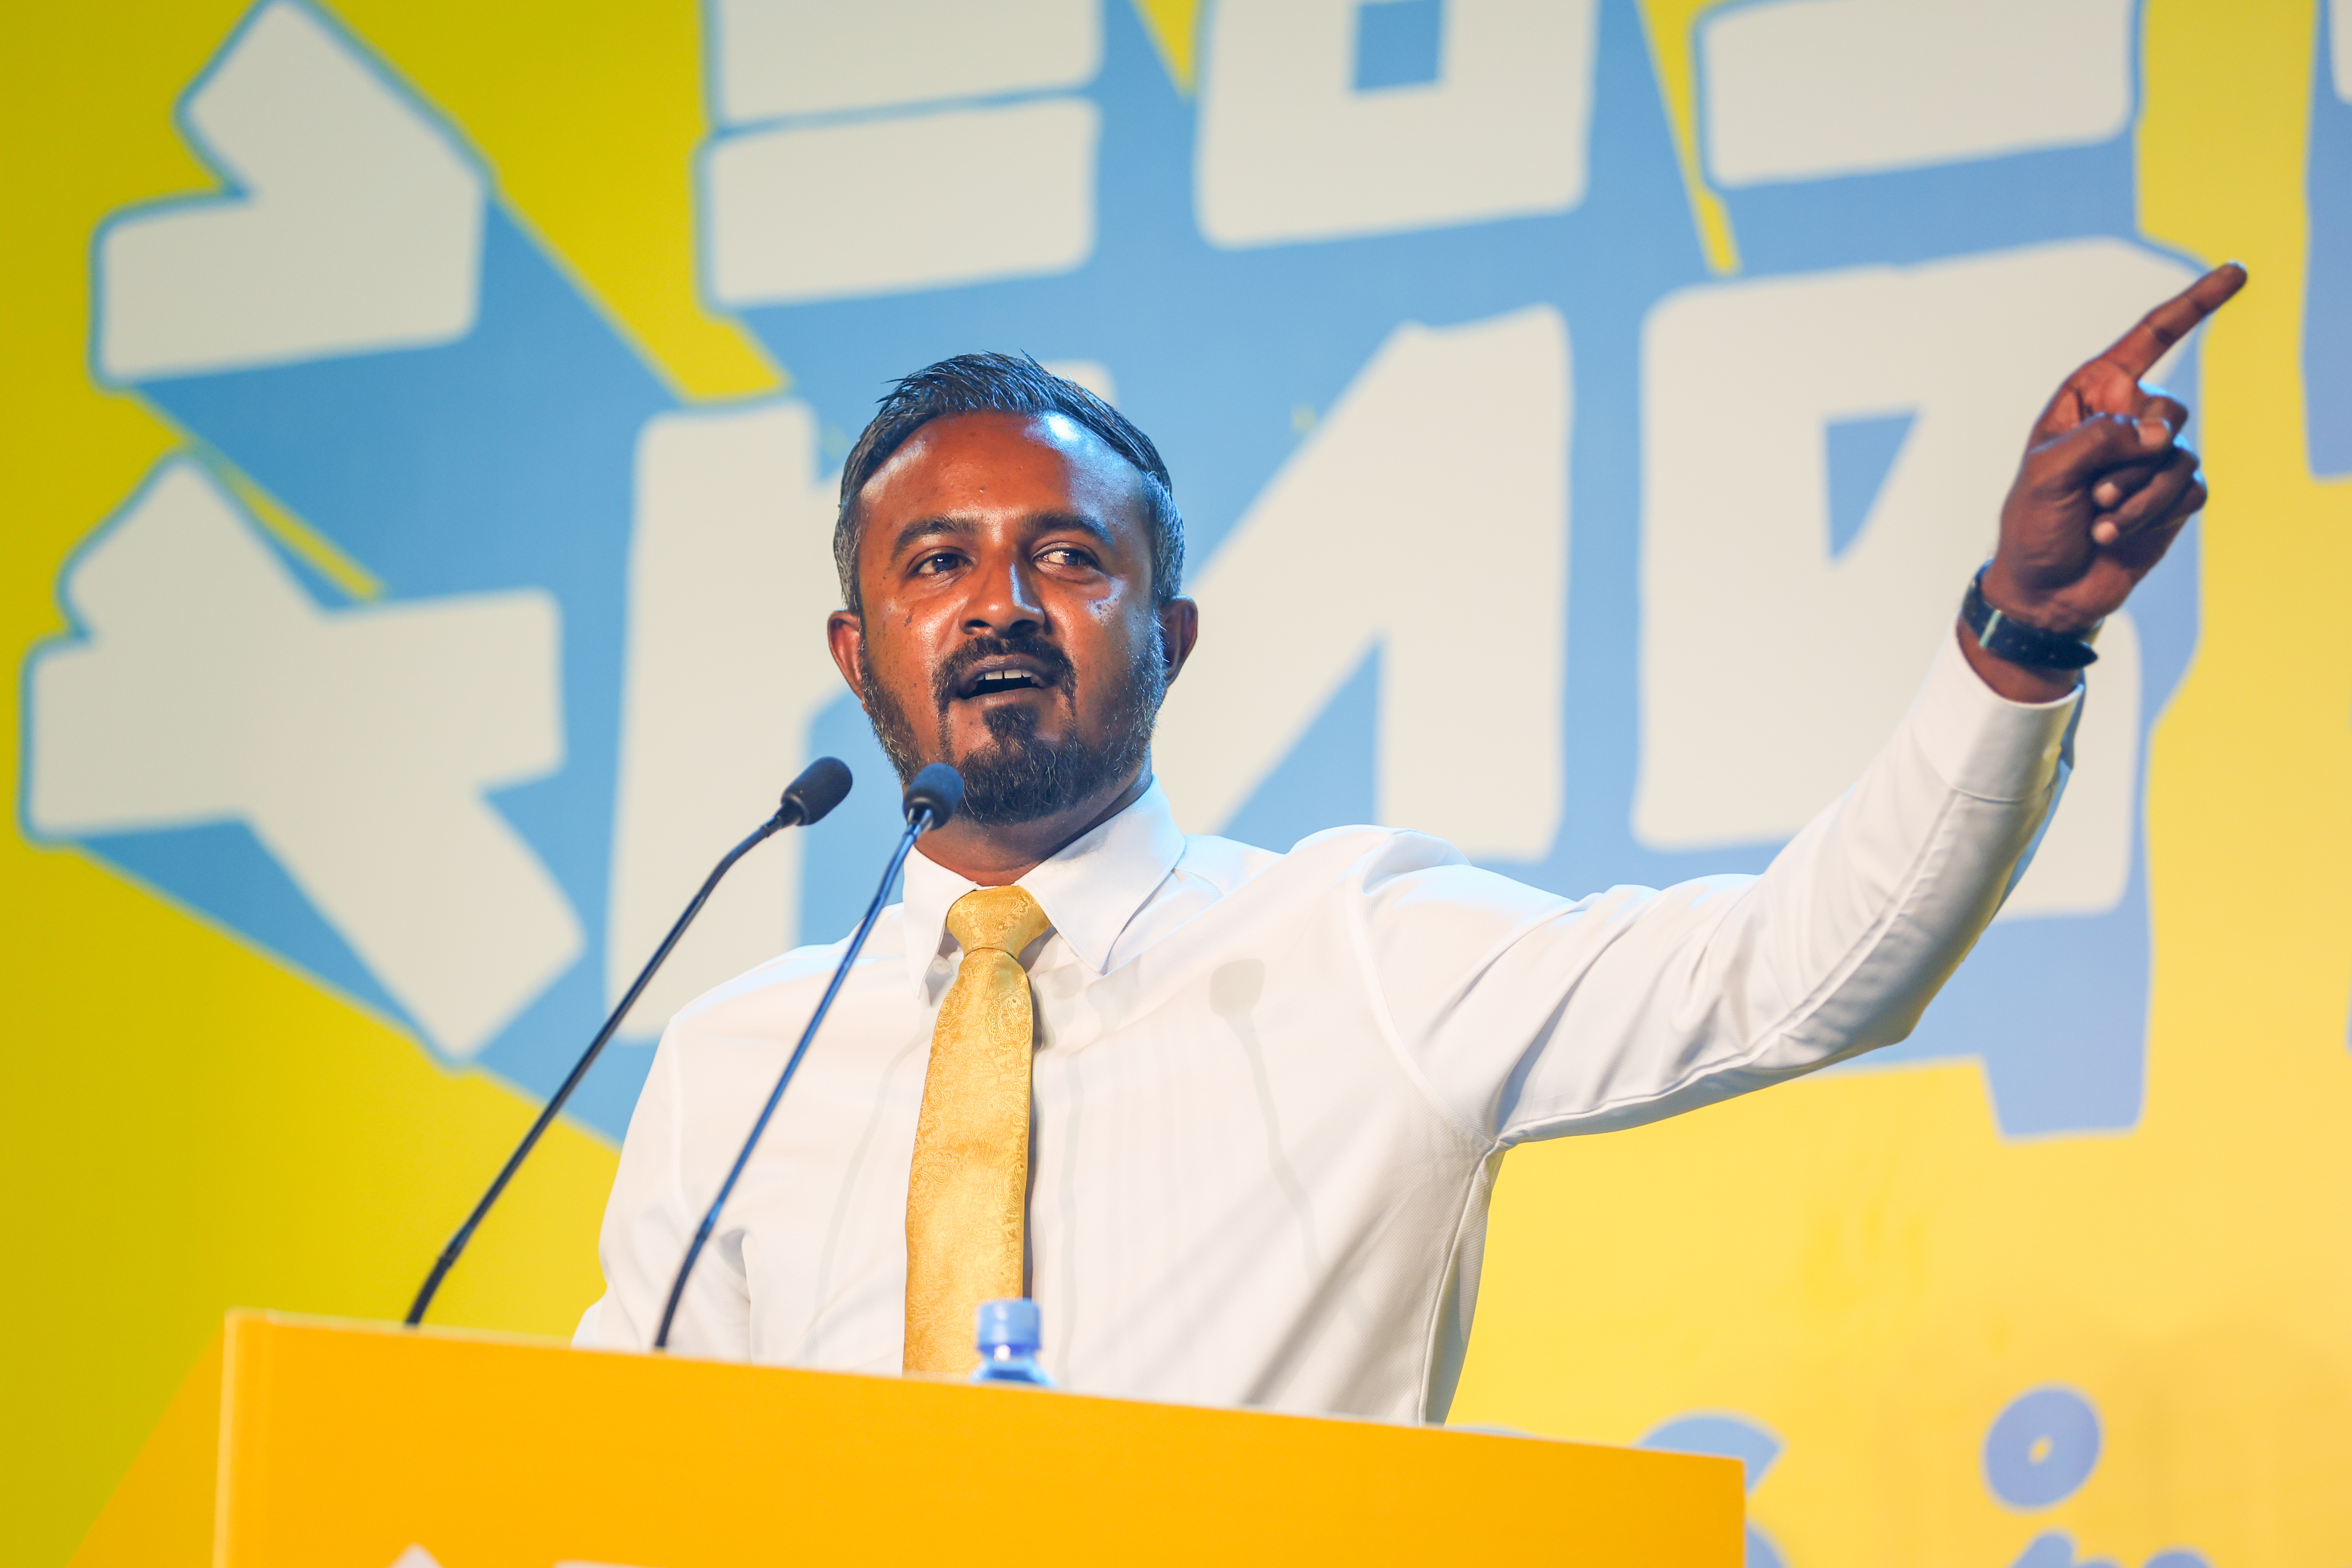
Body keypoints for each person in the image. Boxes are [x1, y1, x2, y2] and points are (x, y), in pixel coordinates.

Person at [576, 265, 2245, 1422]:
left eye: (1068, 558)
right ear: (856, 651)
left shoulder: (1355, 947)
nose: (1001, 603)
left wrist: (2019, 635)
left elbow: (1799, 971)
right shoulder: (733, 1068)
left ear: (1172, 635)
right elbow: (605, 1493)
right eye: (937, 563)